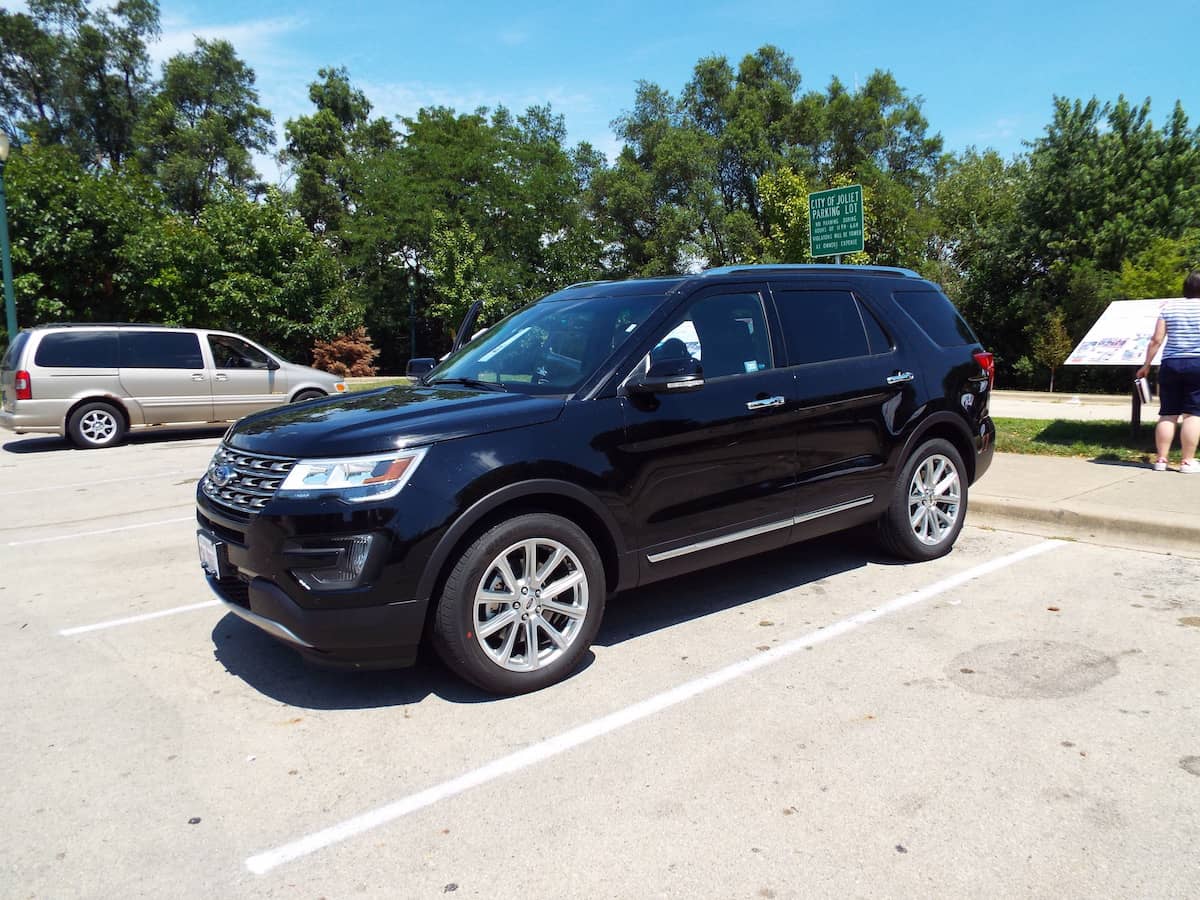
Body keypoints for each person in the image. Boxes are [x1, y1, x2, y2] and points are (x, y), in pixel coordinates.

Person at [1136, 271, 1200, 473]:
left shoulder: (1169, 307)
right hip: (1198, 364)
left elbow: (1156, 339)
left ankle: (1161, 460)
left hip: (1170, 364)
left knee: (1168, 413)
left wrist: (1146, 365)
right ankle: (1187, 462)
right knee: (1193, 414)